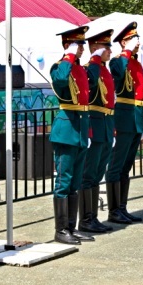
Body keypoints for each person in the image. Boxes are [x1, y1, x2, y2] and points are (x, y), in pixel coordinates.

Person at [49, 26, 93, 244]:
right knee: (64, 181)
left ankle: (71, 227)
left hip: (81, 129)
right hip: (66, 130)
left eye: (83, 44)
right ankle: (60, 230)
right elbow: (59, 82)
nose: (82, 49)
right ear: (68, 45)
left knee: (75, 181)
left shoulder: (80, 69)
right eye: (78, 44)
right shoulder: (59, 67)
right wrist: (67, 55)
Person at [106, 23, 143, 223]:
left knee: (126, 166)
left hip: (136, 118)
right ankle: (114, 211)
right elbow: (118, 73)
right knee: (116, 165)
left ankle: (122, 208)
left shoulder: (136, 62)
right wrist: (126, 51)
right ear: (124, 42)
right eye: (133, 39)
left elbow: (142, 94)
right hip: (124, 118)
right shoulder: (118, 60)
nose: (138, 43)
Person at [79, 29, 116, 234]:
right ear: (95, 49)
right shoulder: (90, 69)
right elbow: (90, 85)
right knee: (89, 173)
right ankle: (86, 219)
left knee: (97, 173)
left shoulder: (104, 69)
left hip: (106, 124)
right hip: (95, 124)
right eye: (105, 47)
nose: (110, 51)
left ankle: (92, 217)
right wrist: (93, 58)